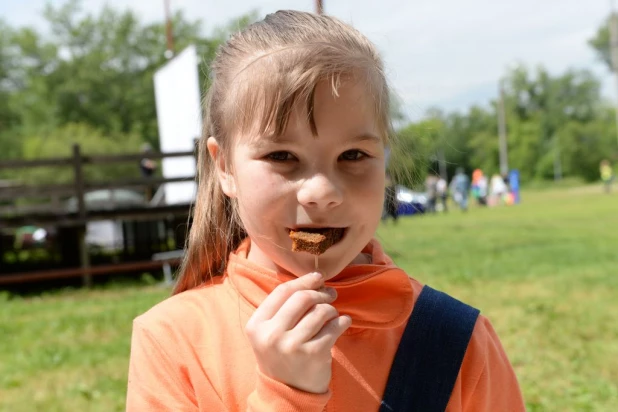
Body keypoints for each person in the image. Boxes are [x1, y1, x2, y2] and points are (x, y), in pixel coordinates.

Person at [126, 10, 524, 411]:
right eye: (282, 156)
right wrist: (286, 396)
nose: (321, 192)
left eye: (353, 154)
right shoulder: (172, 341)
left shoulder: (457, 341)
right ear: (225, 167)